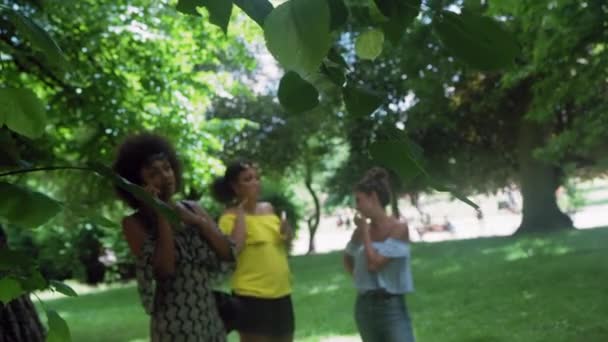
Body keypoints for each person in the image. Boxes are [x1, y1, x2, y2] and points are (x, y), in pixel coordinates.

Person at [113, 133, 235, 341]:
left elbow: (227, 253)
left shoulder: (193, 208)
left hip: (210, 321)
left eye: (167, 168)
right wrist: (161, 213)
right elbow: (165, 270)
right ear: (137, 184)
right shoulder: (134, 223)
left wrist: (198, 222)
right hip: (174, 327)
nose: (166, 176)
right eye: (154, 174)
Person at [212, 160, 294, 342]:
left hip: (282, 294)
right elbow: (234, 248)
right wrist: (241, 211)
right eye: (248, 179)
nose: (256, 182)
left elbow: (283, 248)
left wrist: (287, 234)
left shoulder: (269, 209)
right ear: (235, 186)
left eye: (257, 178)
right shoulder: (228, 218)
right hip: (251, 298)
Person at [343, 167, 415, 342]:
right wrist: (360, 279)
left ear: (373, 197)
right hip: (364, 307)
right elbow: (347, 258)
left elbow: (374, 264)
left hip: (392, 308)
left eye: (359, 200)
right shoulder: (360, 232)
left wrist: (365, 232)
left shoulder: (398, 228)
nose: (356, 206)